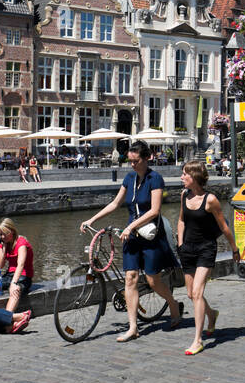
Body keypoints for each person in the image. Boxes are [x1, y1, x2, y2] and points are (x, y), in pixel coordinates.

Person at [79, 140, 184, 340]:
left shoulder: (155, 179)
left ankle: (172, 304)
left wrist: (130, 226)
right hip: (132, 236)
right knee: (130, 278)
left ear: (147, 158)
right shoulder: (129, 178)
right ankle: (133, 327)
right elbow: (116, 203)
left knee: (153, 280)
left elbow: (154, 211)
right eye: (130, 161)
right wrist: (92, 219)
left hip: (151, 235)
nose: (133, 165)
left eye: (136, 161)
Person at [177, 160, 240, 356]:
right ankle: (211, 315)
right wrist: (180, 244)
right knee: (190, 293)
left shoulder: (210, 200)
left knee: (197, 292)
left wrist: (234, 249)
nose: (181, 177)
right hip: (187, 249)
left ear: (194, 177)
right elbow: (181, 220)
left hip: (206, 248)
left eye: (184, 174)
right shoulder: (183, 195)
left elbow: (224, 227)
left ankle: (197, 340)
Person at [0, 218, 35, 314]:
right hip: (9, 275)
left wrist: (14, 283)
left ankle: (6, 319)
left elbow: (21, 265)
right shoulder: (3, 243)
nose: (2, 236)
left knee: (15, 291)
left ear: (12, 231)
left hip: (23, 277)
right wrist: (3, 248)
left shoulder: (21, 243)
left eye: (4, 233)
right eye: (0, 234)